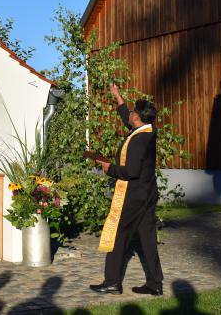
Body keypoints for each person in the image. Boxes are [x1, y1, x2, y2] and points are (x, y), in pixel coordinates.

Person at [89, 83, 164, 296]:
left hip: (133, 196)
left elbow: (131, 171)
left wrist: (108, 168)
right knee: (148, 240)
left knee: (117, 235)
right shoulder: (147, 130)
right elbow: (127, 118)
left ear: (138, 118)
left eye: (132, 112)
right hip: (147, 194)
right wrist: (117, 96)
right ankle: (155, 284)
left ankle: (112, 282)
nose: (129, 113)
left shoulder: (139, 139)